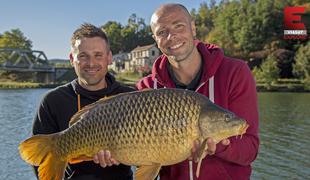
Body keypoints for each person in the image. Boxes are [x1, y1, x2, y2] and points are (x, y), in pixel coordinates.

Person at [135, 3, 259, 180]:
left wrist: (219, 146)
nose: (172, 36)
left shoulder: (235, 72)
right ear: (155, 38)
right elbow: (141, 156)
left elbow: (250, 149)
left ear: (193, 28)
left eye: (179, 26)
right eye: (162, 32)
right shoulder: (146, 88)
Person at [32, 23, 134, 180]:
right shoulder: (53, 101)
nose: (91, 63)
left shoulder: (130, 97)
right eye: (83, 56)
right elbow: (41, 163)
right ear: (72, 59)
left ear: (109, 58)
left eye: (98, 55)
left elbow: (149, 161)